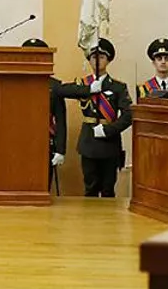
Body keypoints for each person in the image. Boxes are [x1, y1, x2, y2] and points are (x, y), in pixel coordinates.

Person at [55, 39, 133, 198]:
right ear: (89, 60)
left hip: (109, 143)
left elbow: (129, 115)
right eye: (93, 57)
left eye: (102, 57)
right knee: (90, 187)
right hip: (89, 142)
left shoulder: (118, 87)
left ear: (108, 59)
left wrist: (107, 130)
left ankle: (108, 222)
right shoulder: (83, 83)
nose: (97, 61)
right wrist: (88, 89)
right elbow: (60, 91)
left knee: (107, 188)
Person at [24, 37, 67, 189]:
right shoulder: (14, 83)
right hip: (18, 144)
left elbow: (60, 119)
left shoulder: (54, 86)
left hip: (44, 144)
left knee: (42, 187)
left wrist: (60, 150)